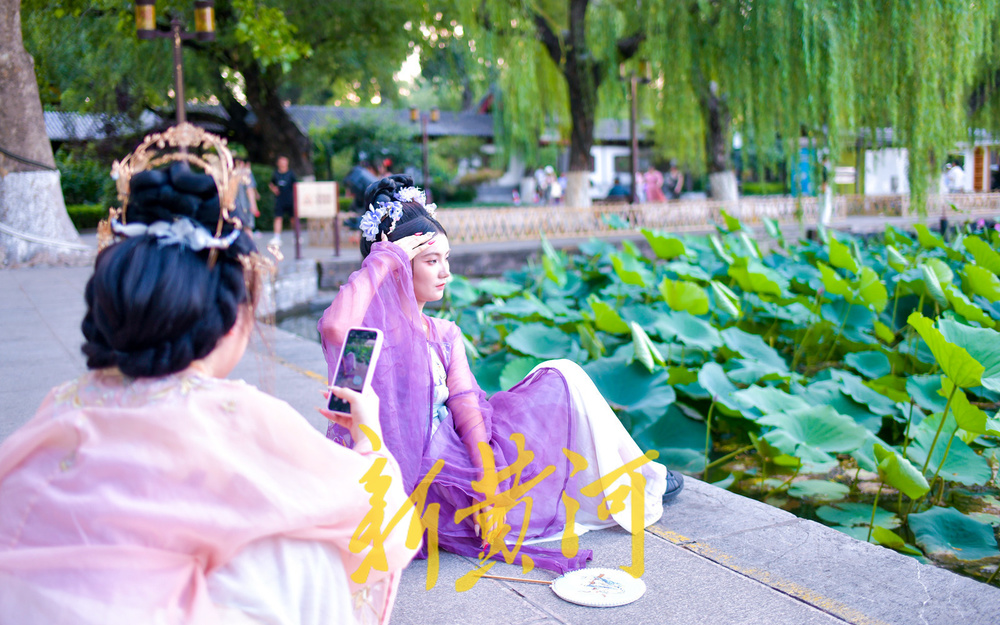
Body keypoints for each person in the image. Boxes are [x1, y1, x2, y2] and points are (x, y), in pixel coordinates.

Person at [0, 134, 417, 624]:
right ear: (232, 318)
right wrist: (368, 433)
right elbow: (379, 517)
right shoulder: (237, 414)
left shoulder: (59, 406)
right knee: (306, 555)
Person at [318, 174, 682, 575]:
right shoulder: (366, 336)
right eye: (431, 261)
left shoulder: (444, 333)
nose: (445, 273)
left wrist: (488, 488)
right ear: (399, 267)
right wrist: (385, 258)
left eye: (446, 259)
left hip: (461, 461)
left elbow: (467, 409)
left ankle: (639, 475)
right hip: (412, 481)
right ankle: (643, 478)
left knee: (560, 375)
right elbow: (334, 330)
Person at [268, 155, 297, 247]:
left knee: (293, 218)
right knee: (278, 217)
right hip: (280, 199)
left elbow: (296, 185)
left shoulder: (291, 174)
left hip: (290, 199)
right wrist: (274, 189)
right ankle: (277, 237)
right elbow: (271, 184)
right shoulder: (276, 174)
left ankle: (296, 236)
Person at [233, 158, 260, 235]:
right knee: (247, 228)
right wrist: (254, 205)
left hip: (233, 206)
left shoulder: (230, 174)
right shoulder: (246, 174)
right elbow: (249, 190)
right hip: (245, 206)